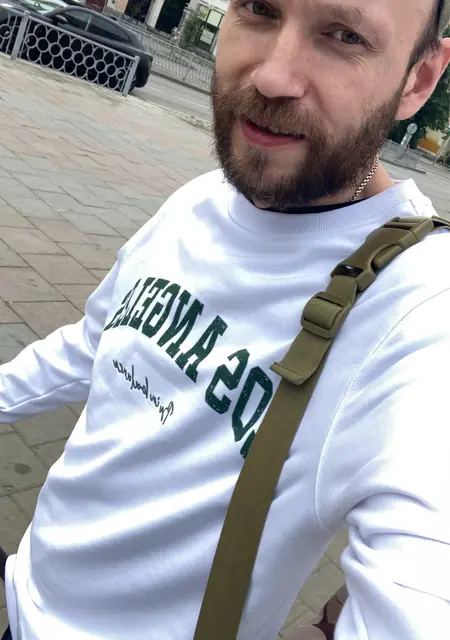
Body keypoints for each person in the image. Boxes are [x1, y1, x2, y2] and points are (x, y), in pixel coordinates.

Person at [1, 0, 450, 638]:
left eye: (344, 35)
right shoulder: (202, 197)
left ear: (419, 79)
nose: (272, 76)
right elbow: (92, 346)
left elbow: (419, 598)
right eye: (259, 9)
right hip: (24, 591)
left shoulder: (420, 306)